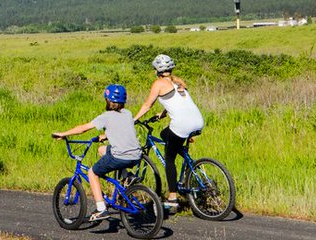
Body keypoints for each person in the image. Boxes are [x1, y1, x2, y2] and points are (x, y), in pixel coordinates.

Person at [52, 84, 142, 223]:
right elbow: (122, 129)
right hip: (136, 155)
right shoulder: (128, 113)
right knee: (101, 149)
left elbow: (83, 128)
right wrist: (105, 136)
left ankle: (101, 209)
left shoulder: (105, 116)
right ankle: (127, 176)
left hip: (119, 156)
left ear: (108, 100)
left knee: (92, 173)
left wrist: (63, 134)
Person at [131, 53, 204, 213]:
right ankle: (185, 159)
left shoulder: (158, 84)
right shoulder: (178, 81)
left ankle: (172, 198)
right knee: (165, 135)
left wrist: (133, 119)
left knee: (169, 158)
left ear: (157, 70)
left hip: (182, 124)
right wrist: (162, 114)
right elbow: (176, 103)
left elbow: (147, 105)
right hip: (198, 121)